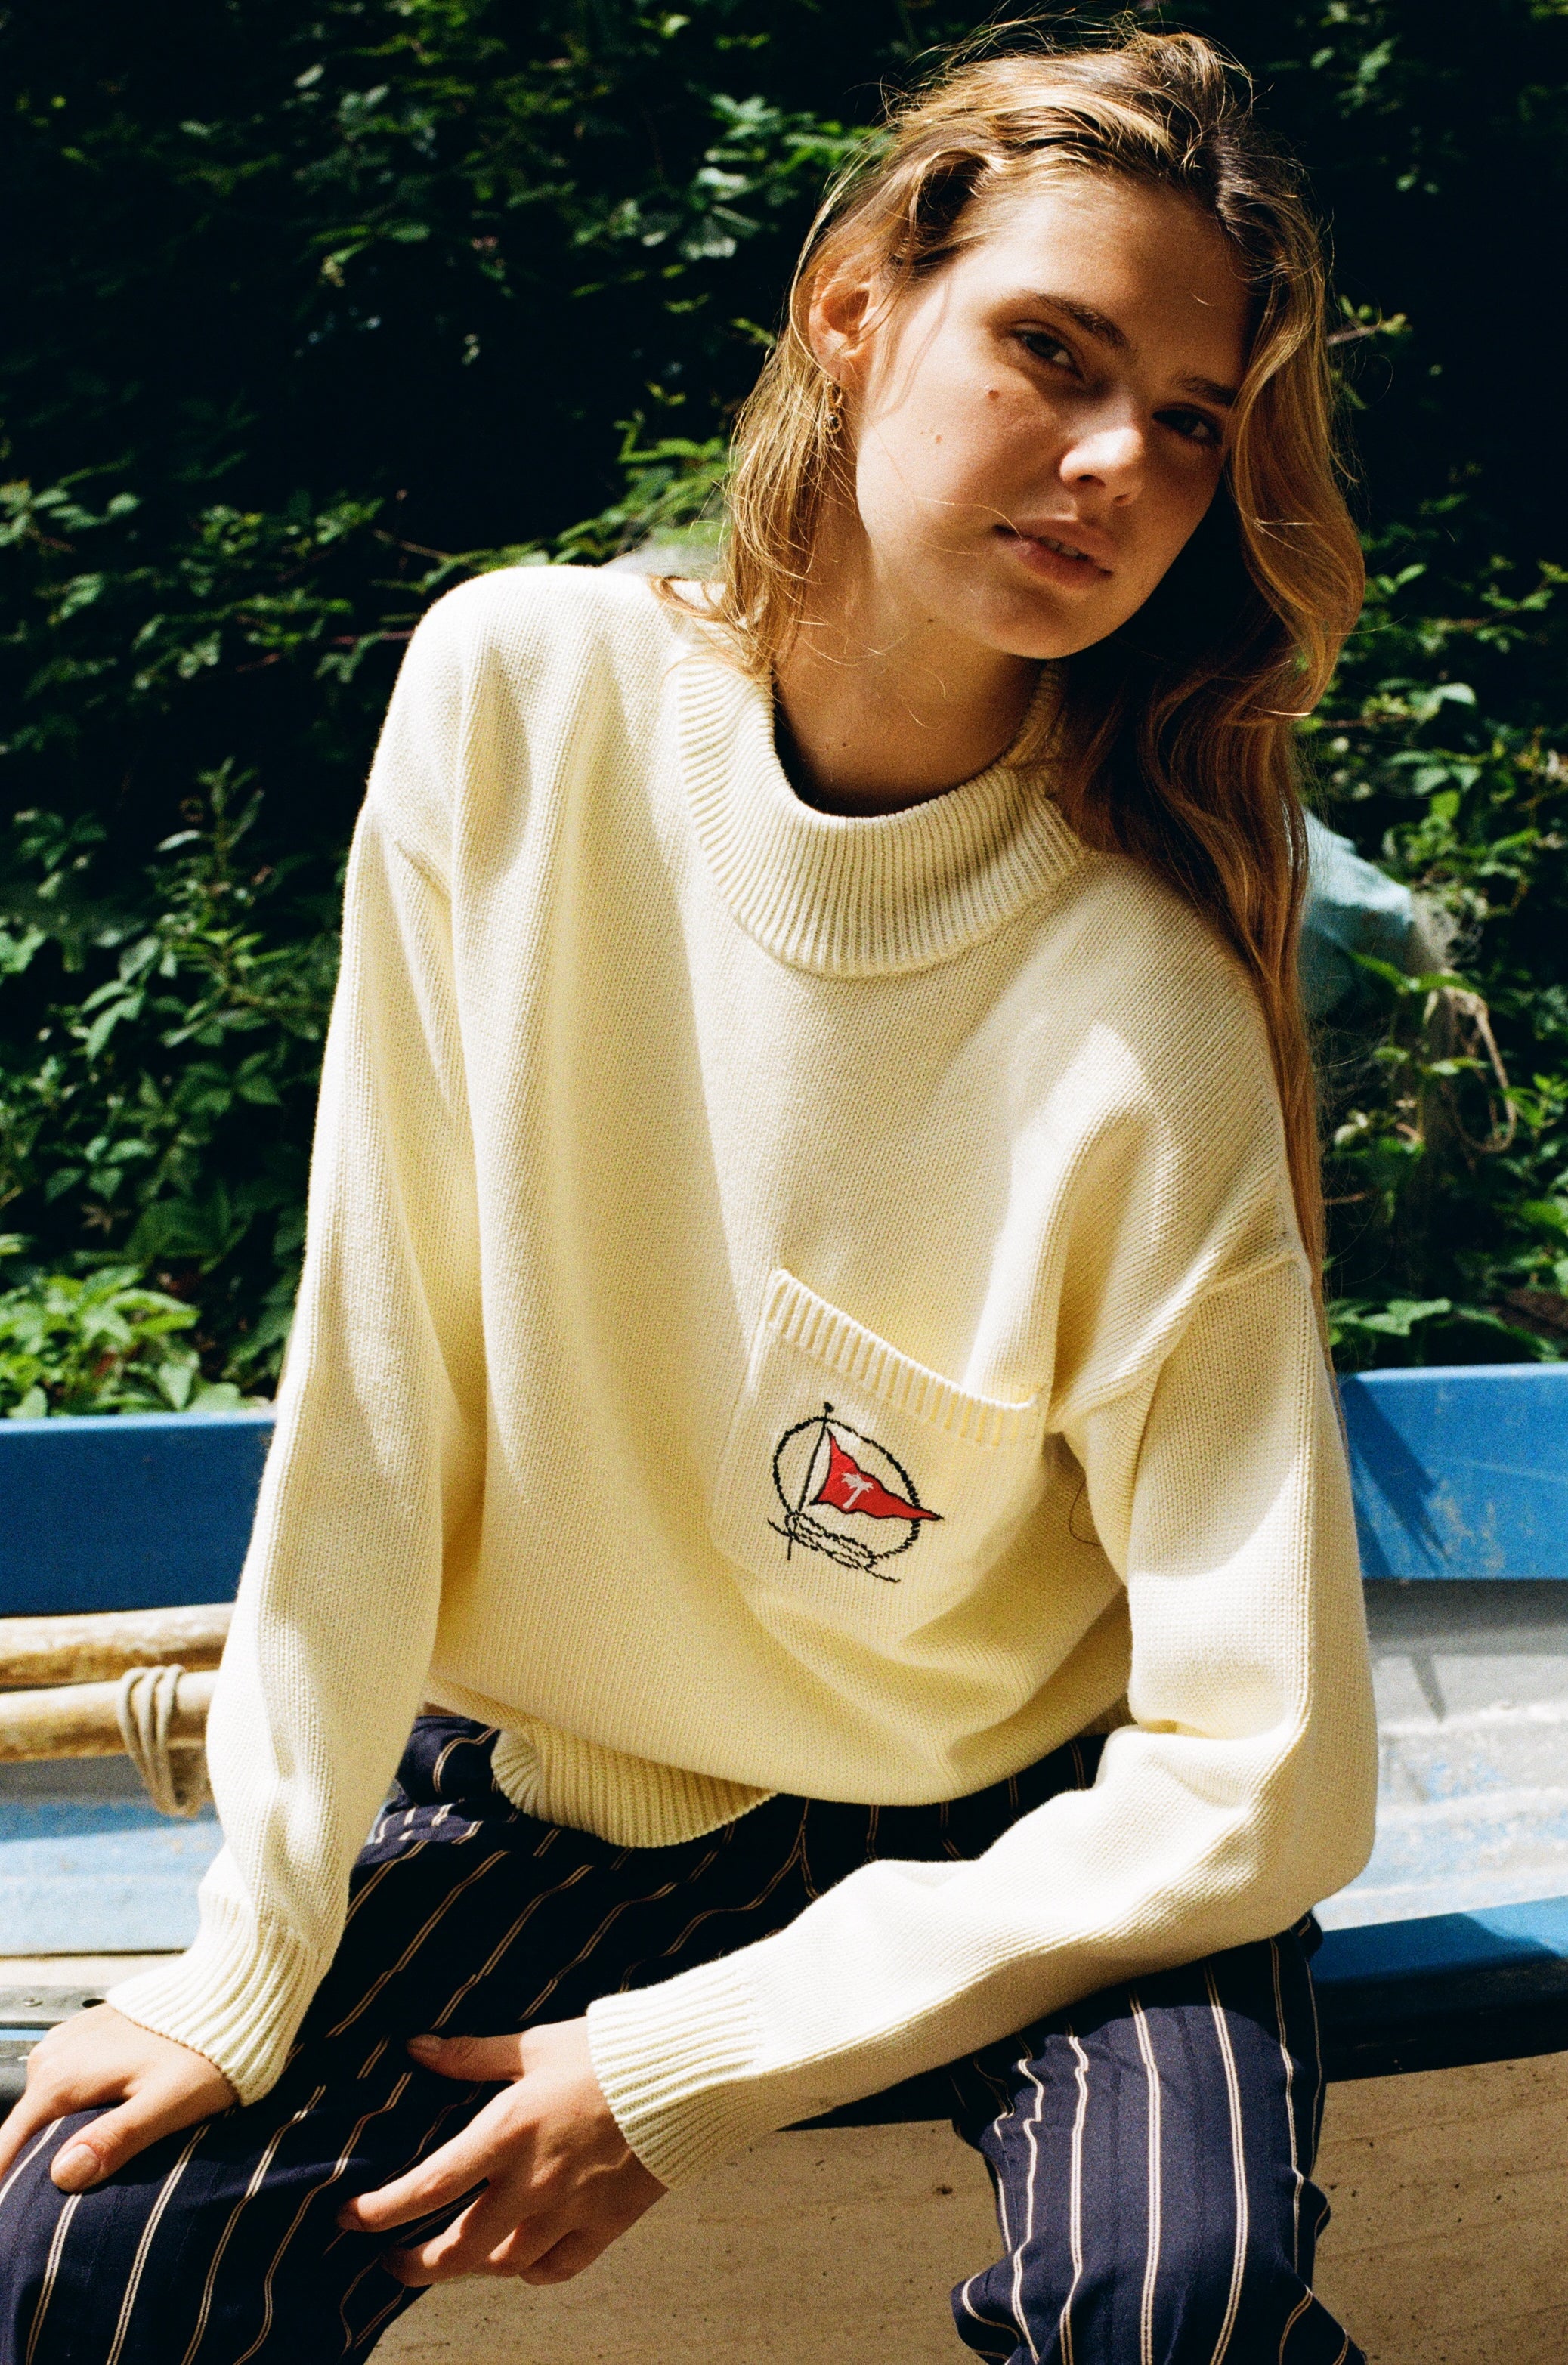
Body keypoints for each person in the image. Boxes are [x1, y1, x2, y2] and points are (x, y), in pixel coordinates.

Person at [0, 28, 1379, 2365]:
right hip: (568, 1795)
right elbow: (379, 1388)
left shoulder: (1140, 1004)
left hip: (1036, 1838)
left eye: (1188, 421)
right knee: (69, 2252)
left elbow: (1267, 1764)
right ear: (855, 302)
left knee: (1173, 2295)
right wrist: (248, 1949)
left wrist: (676, 2071)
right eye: (1054, 350)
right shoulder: (515, 699)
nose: (1115, 460)